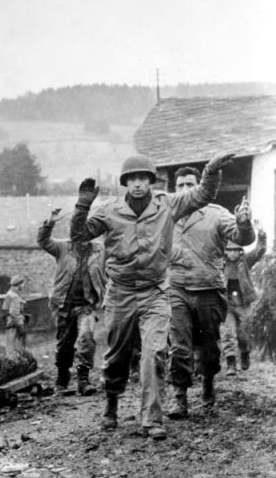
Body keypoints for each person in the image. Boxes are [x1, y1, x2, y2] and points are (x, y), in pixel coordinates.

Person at [70, 152, 234, 440]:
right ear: (125, 182)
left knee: (154, 353)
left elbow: (202, 194)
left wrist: (211, 171)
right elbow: (79, 236)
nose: (137, 184)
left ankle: (151, 418)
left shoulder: (168, 205)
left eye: (142, 178)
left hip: (155, 292)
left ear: (150, 180)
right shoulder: (109, 210)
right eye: (131, 179)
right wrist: (83, 205)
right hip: (120, 292)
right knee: (117, 356)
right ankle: (111, 402)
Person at [166, 167, 255, 420]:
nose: (184, 190)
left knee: (209, 346)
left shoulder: (216, 214)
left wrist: (244, 223)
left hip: (209, 289)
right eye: (180, 185)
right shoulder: (165, 215)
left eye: (190, 184)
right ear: (175, 188)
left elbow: (242, 238)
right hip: (177, 288)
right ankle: (179, 397)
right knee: (179, 346)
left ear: (200, 186)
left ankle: (208, 386)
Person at [37, 207, 106, 395]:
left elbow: (114, 262)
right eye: (77, 229)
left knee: (86, 338)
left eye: (85, 230)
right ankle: (62, 378)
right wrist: (50, 221)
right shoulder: (62, 247)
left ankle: (83, 380)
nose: (80, 234)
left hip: (86, 306)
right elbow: (43, 241)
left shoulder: (99, 250)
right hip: (64, 306)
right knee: (64, 344)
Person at [221, 223, 267, 376]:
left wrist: (261, 235)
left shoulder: (246, 261)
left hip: (243, 302)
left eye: (235, 250)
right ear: (225, 251)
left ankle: (245, 353)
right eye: (229, 250)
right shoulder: (220, 263)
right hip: (226, 303)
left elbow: (260, 251)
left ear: (240, 252)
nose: (232, 253)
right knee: (227, 333)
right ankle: (231, 363)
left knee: (244, 333)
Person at [2, 275, 27, 353]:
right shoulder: (14, 296)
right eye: (22, 284)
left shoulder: (9, 293)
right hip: (15, 325)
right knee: (17, 348)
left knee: (10, 346)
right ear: (19, 284)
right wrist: (21, 325)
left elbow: (5, 308)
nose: (23, 286)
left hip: (10, 323)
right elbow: (14, 313)